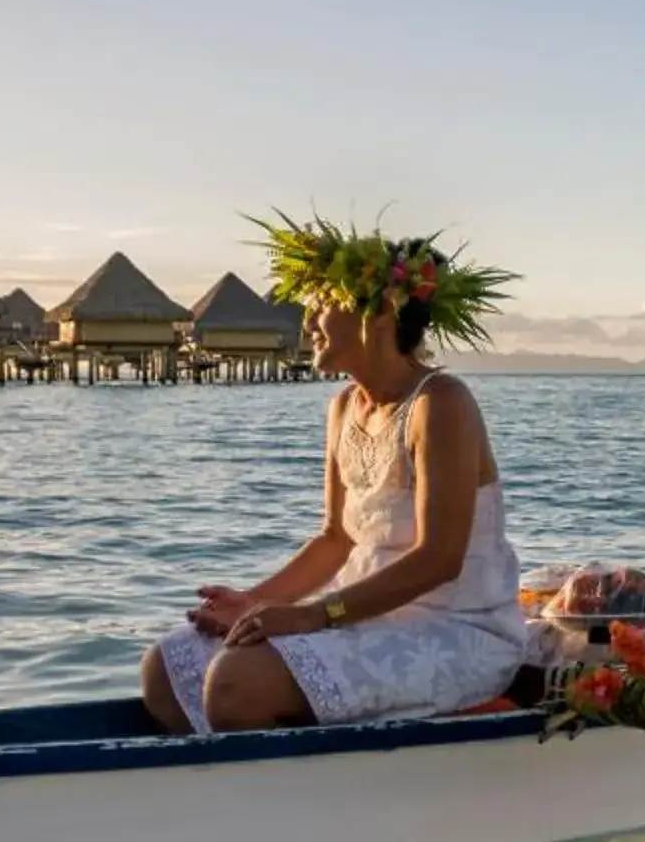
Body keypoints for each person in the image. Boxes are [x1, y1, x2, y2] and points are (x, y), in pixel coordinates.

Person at [140, 218, 527, 734]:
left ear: (382, 315)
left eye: (323, 304)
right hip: (358, 612)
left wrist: (311, 615)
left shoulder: (440, 403)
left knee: (235, 682)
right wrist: (255, 603)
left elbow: (440, 558)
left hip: (456, 628)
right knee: (167, 665)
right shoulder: (344, 407)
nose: (310, 320)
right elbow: (336, 540)